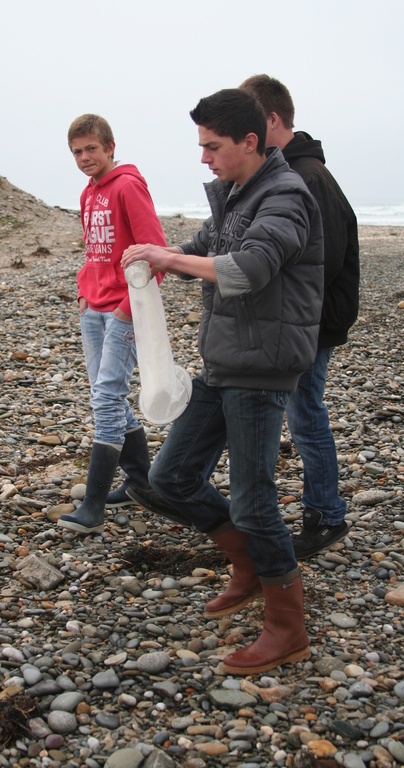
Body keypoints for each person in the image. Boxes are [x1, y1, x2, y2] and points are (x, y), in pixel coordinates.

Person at [121, 88, 324, 675]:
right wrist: (155, 257)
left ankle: (288, 628)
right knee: (171, 477)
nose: (204, 157)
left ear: (250, 141)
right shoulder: (239, 193)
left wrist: (169, 260)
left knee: (255, 503)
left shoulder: (285, 196)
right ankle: (249, 566)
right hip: (224, 362)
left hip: (262, 369)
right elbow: (201, 248)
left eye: (213, 146)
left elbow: (249, 269)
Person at [240, 75, 359, 559]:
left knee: (306, 414)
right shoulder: (292, 172)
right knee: (302, 412)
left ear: (271, 120)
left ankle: (327, 514)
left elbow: (320, 264)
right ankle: (319, 509)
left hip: (312, 321)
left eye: (249, 123)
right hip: (303, 319)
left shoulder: (307, 177)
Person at [58, 114, 166, 535]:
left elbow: (156, 255)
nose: (84, 157)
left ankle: (93, 505)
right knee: (106, 395)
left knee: (106, 398)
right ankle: (142, 483)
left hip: (125, 310)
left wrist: (126, 307)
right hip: (93, 309)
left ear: (110, 147)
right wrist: (84, 292)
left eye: (91, 149)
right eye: (77, 152)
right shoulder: (88, 192)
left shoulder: (127, 186)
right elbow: (95, 251)